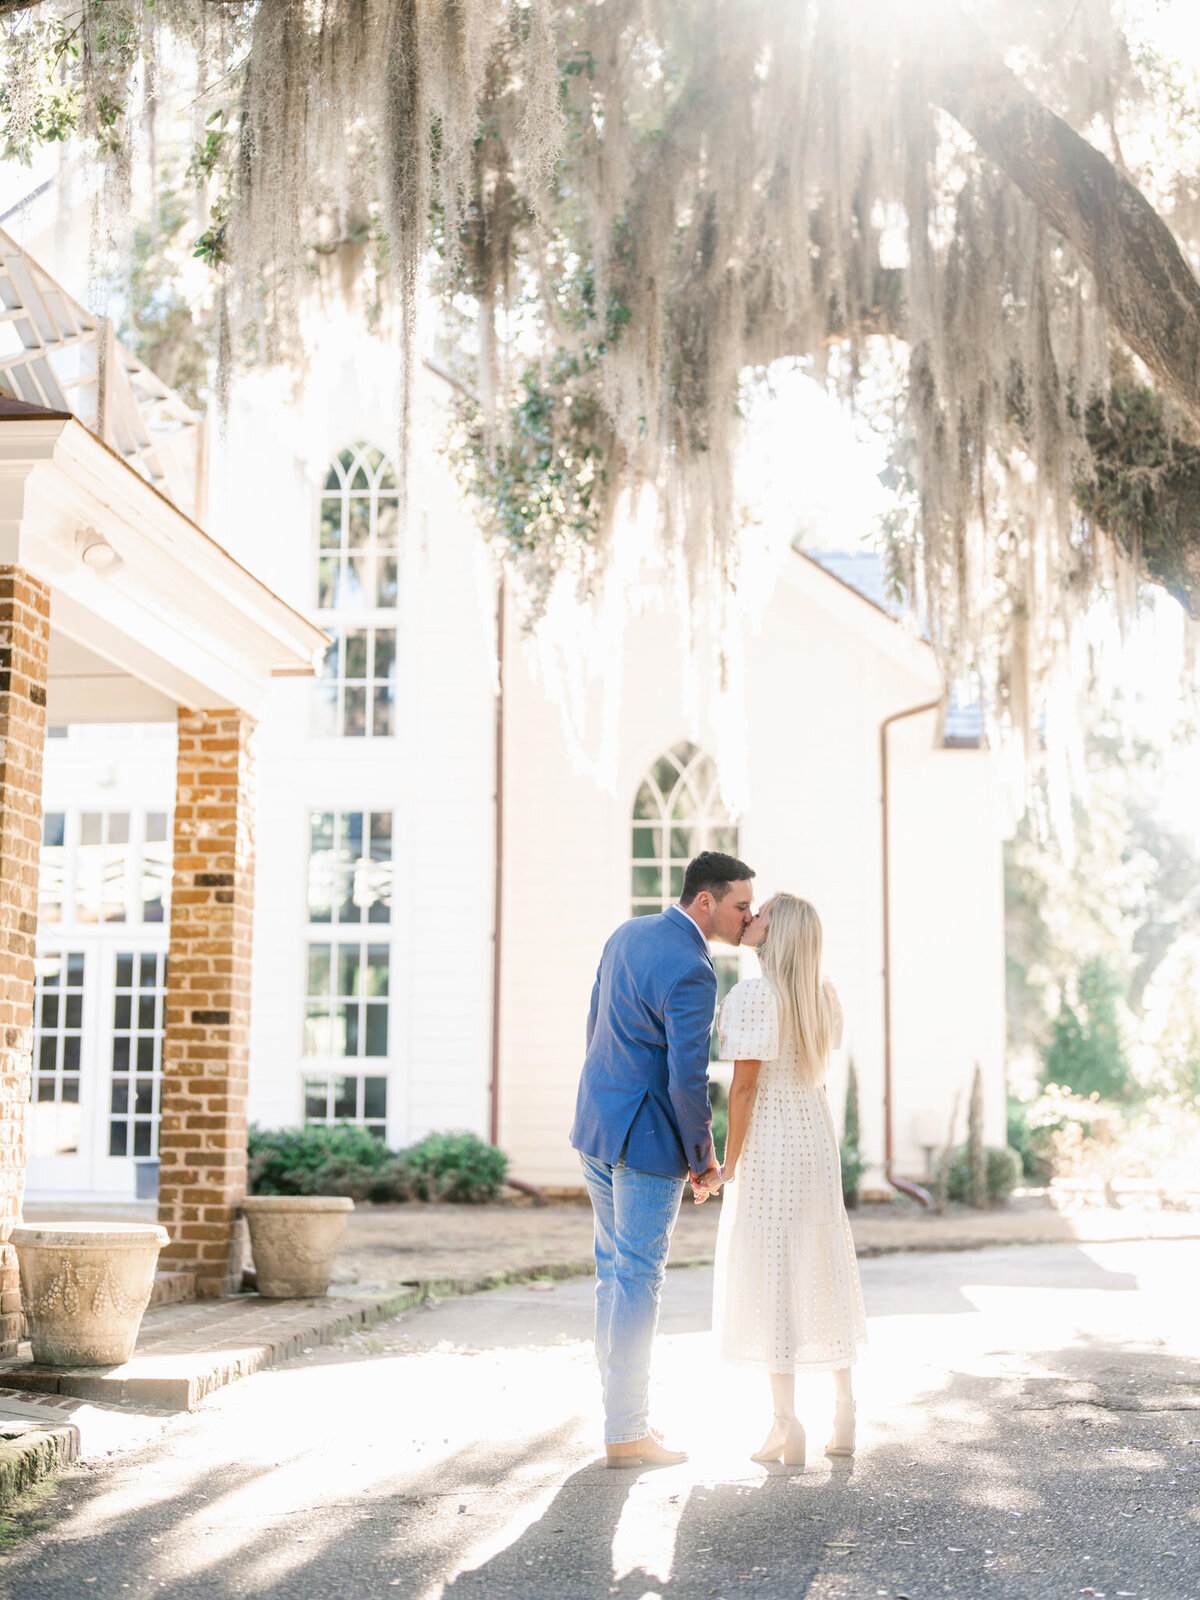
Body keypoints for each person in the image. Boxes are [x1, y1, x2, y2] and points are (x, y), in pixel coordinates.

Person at [571, 851, 756, 1468]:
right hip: (646, 1140)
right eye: (739, 904)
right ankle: (626, 1432)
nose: (746, 915)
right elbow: (687, 1079)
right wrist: (704, 1157)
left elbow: (594, 1024)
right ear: (706, 901)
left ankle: (618, 1422)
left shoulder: (625, 933)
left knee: (613, 1274)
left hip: (596, 1126)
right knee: (637, 1280)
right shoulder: (693, 969)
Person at [712, 893, 866, 1469]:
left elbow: (745, 1089)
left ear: (776, 935)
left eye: (762, 915)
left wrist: (728, 1164)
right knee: (822, 1267)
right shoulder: (821, 995)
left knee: (775, 1274)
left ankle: (786, 1424)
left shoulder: (755, 995)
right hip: (816, 1140)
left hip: (774, 1145)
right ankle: (844, 1412)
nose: (750, 919)